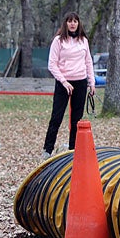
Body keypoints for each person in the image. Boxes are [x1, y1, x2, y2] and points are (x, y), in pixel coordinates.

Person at [42, 12, 95, 159]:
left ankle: (74, 150)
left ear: (78, 24)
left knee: (76, 119)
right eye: (70, 21)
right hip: (63, 83)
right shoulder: (58, 41)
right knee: (56, 117)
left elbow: (88, 61)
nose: (72, 24)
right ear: (65, 23)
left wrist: (92, 82)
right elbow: (51, 64)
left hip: (81, 81)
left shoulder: (83, 40)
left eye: (75, 21)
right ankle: (47, 149)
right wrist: (64, 81)